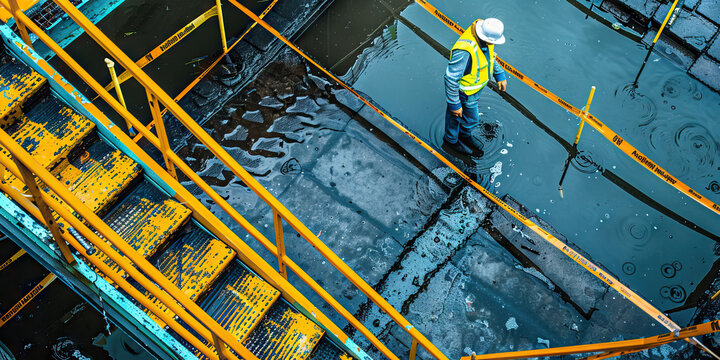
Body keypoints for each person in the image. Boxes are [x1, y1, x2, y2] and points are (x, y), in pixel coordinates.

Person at [444, 18, 508, 156]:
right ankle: (451, 141)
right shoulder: (465, 51)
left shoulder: (485, 39)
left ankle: (463, 136)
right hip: (463, 93)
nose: (494, 44)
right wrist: (454, 103)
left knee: (465, 118)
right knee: (458, 117)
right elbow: (451, 78)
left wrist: (500, 74)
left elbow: (490, 58)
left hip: (473, 92)